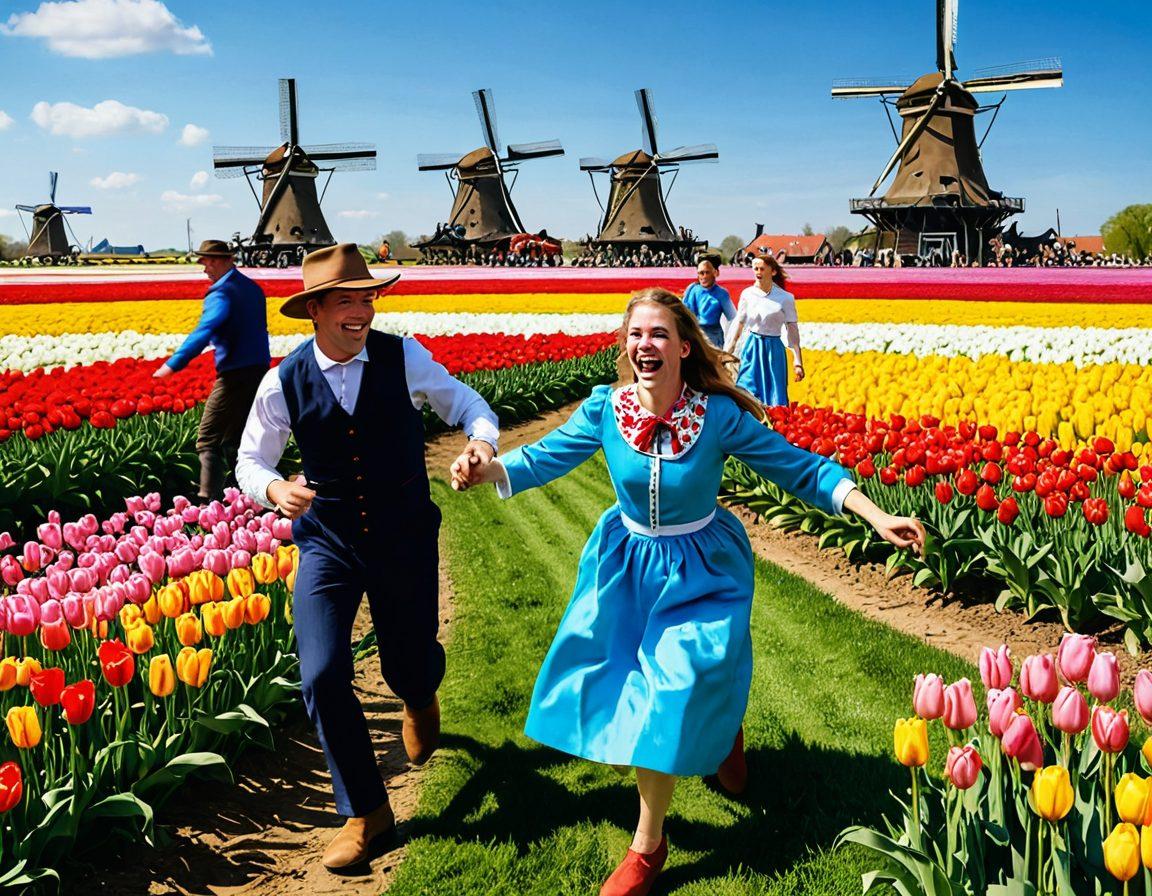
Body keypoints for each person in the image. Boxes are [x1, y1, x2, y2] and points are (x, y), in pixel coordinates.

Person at [453, 288, 925, 896]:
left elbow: (799, 467)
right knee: (614, 689)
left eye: (657, 334)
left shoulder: (717, 416)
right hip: (624, 567)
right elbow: (544, 458)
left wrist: (874, 514)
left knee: (671, 691)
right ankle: (722, 726)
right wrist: (483, 466)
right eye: (635, 335)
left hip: (702, 566)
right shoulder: (605, 408)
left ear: (681, 346)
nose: (644, 345)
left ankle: (647, 849)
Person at [236, 244, 499, 873]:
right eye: (347, 301)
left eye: (368, 298)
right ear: (317, 310)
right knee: (322, 673)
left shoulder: (402, 355)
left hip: (402, 530)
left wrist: (480, 445)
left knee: (407, 657)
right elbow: (251, 460)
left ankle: (418, 695)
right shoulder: (283, 380)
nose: (361, 311)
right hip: (328, 540)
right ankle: (366, 812)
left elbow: (469, 405)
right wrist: (276, 490)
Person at [154, 239, 270, 501]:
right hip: (259, 368)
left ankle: (209, 500)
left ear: (221, 260)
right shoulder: (252, 288)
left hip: (234, 374)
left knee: (208, 438)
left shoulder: (223, 292)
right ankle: (249, 492)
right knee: (235, 438)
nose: (204, 267)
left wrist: (174, 363)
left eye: (207, 261)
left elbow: (206, 328)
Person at [723, 255, 803, 407]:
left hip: (774, 350)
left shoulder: (785, 298)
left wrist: (798, 361)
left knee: (775, 396)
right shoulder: (747, 294)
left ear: (772, 272)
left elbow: (792, 332)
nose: (758, 272)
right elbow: (739, 324)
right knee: (746, 388)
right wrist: (728, 351)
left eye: (762, 269)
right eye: (755, 269)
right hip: (752, 348)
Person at [681, 255, 737, 348]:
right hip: (694, 336)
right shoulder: (692, 289)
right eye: (701, 273)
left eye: (707, 273)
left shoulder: (722, 293)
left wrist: (732, 343)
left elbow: (733, 318)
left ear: (715, 273)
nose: (704, 276)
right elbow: (683, 314)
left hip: (713, 339)